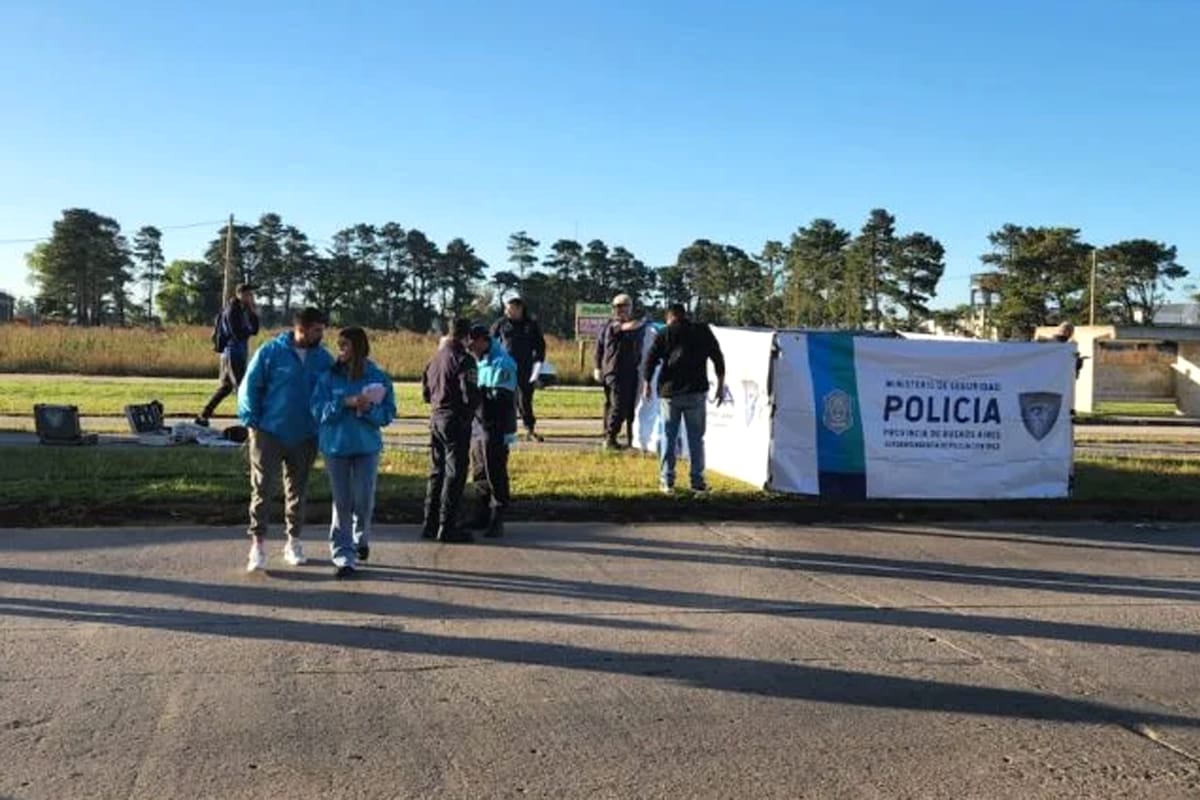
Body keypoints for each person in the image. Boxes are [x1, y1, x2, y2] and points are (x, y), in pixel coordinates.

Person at [237, 307, 335, 571]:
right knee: (262, 487)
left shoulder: (323, 359)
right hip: (269, 432)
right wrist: (252, 420)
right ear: (300, 328)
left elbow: (332, 390)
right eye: (316, 329)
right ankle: (257, 544)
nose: (320, 334)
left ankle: (294, 541)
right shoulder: (271, 352)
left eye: (321, 330)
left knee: (298, 490)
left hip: (304, 434)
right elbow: (251, 385)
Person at [310, 327, 396, 577]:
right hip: (335, 447)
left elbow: (388, 414)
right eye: (339, 345)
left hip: (366, 447)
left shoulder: (378, 378)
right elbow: (317, 410)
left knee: (363, 499)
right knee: (342, 501)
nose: (341, 350)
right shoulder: (329, 377)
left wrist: (368, 409)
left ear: (358, 348)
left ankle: (361, 538)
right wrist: (343, 403)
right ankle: (343, 556)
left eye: (345, 345)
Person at [642, 303, 726, 494]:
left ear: (670, 317)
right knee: (696, 439)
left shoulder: (665, 333)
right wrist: (720, 385)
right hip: (696, 392)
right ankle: (697, 482)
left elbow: (651, 359)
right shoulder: (703, 331)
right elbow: (717, 357)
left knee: (668, 438)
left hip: (670, 393)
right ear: (685, 315)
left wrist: (647, 383)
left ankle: (667, 481)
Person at [420, 318, 481, 543]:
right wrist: (471, 410)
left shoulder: (434, 359)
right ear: (466, 337)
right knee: (455, 474)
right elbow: (470, 393)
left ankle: (429, 522)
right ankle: (447, 525)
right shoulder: (465, 360)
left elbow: (426, 393)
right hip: (455, 419)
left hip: (436, 417)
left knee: (436, 471)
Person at [467, 324, 518, 538]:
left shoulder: (502, 362)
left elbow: (501, 401)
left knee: (495, 471)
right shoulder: (479, 360)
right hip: (479, 425)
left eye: (472, 344)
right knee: (479, 470)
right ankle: (481, 513)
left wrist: (477, 393)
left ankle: (498, 516)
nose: (470, 348)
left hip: (496, 426)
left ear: (483, 341)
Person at [195, 284, 260, 427]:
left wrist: (252, 312)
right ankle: (251, 421)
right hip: (232, 352)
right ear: (240, 294)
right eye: (248, 294)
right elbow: (236, 333)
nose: (251, 297)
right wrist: (247, 329)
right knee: (242, 387)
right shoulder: (232, 310)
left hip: (238, 351)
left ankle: (203, 415)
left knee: (226, 387)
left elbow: (255, 330)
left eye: (252, 295)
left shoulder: (245, 310)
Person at [594, 293, 647, 450]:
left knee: (629, 406)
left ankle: (632, 439)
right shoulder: (612, 325)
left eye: (624, 306)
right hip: (615, 371)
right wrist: (597, 367)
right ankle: (610, 437)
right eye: (617, 307)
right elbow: (599, 348)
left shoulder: (634, 326)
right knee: (618, 405)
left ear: (630, 307)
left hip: (631, 370)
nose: (621, 310)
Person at [491, 297, 547, 442]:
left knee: (525, 400)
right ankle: (502, 430)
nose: (507, 311)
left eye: (510, 309)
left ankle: (530, 429)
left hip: (525, 368)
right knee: (504, 399)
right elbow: (490, 342)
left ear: (519, 308)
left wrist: (537, 365)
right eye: (506, 309)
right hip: (505, 369)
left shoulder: (531, 325)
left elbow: (540, 346)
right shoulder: (501, 324)